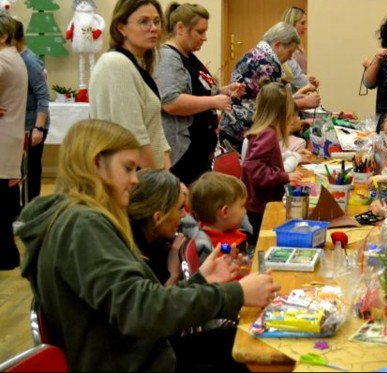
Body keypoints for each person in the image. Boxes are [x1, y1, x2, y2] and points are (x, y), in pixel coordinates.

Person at [15, 119, 280, 371]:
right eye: (128, 168)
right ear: (97, 163)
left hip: (142, 354)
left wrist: (201, 282)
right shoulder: (82, 225)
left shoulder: (75, 220)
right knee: (265, 348)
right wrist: (236, 294)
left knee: (251, 340)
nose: (135, 180)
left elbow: (137, 303)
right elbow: (141, 312)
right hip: (137, 363)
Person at [127, 168, 248, 372]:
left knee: (242, 336)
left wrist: (202, 278)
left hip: (166, 344)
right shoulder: (136, 255)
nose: (184, 216)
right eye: (179, 209)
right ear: (158, 217)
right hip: (156, 356)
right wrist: (175, 275)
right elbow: (158, 317)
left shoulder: (157, 240)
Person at [156, 2, 244, 186]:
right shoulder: (168, 58)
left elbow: (195, 91)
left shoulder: (187, 54)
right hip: (183, 155)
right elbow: (170, 102)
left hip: (198, 154)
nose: (204, 38)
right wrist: (213, 101)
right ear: (180, 28)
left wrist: (222, 91)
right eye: (200, 31)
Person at [89, 0, 171, 169]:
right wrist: (156, 183)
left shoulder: (137, 64)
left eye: (157, 21)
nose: (154, 28)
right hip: (132, 178)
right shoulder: (116, 64)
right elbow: (133, 136)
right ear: (121, 27)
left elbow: (154, 127)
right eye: (144, 22)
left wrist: (166, 169)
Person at [221, 22, 320, 150]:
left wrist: (294, 98)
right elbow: (274, 105)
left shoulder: (256, 54)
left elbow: (266, 98)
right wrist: (303, 103)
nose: (290, 58)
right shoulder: (268, 64)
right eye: (290, 52)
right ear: (278, 44)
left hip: (233, 129)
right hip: (244, 133)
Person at [241, 82, 304, 239]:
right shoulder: (268, 134)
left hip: (258, 204)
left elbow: (262, 163)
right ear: (283, 112)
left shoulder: (263, 131)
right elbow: (255, 169)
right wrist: (284, 176)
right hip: (261, 207)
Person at [0, 14, 27, 271]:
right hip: (10, 136)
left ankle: (6, 256)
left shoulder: (2, 59)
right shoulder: (14, 57)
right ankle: (6, 256)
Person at [13, 20, 49, 204]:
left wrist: (38, 128)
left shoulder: (29, 61)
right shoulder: (14, 58)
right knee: (18, 171)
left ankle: (30, 212)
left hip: (32, 124)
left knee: (30, 172)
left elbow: (43, 96)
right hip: (20, 124)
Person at [184, 171, 251, 262]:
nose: (245, 211)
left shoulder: (227, 228)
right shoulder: (218, 253)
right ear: (225, 212)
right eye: (242, 206)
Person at [280, 6, 319, 92]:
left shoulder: (299, 49)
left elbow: (299, 75)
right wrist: (303, 80)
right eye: (302, 23)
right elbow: (283, 78)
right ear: (292, 24)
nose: (305, 27)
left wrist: (308, 81)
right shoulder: (283, 50)